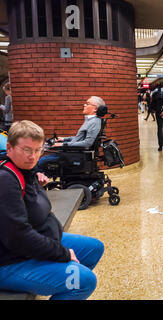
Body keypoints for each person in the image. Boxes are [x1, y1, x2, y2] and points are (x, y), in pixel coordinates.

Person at [0, 120, 104, 300]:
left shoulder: (25, 170)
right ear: (9, 147)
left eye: (37, 150)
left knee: (93, 248)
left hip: (37, 239)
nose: (33, 156)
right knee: (85, 281)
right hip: (10, 261)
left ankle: (59, 283)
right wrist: (63, 253)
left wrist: (35, 179)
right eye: (26, 150)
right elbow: (18, 237)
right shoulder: (5, 180)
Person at [37, 96, 104, 170]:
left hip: (75, 155)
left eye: (87, 104)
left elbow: (87, 143)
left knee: (41, 162)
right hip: (72, 153)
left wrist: (63, 144)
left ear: (95, 109)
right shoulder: (90, 121)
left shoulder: (94, 122)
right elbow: (80, 138)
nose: (84, 105)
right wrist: (64, 139)